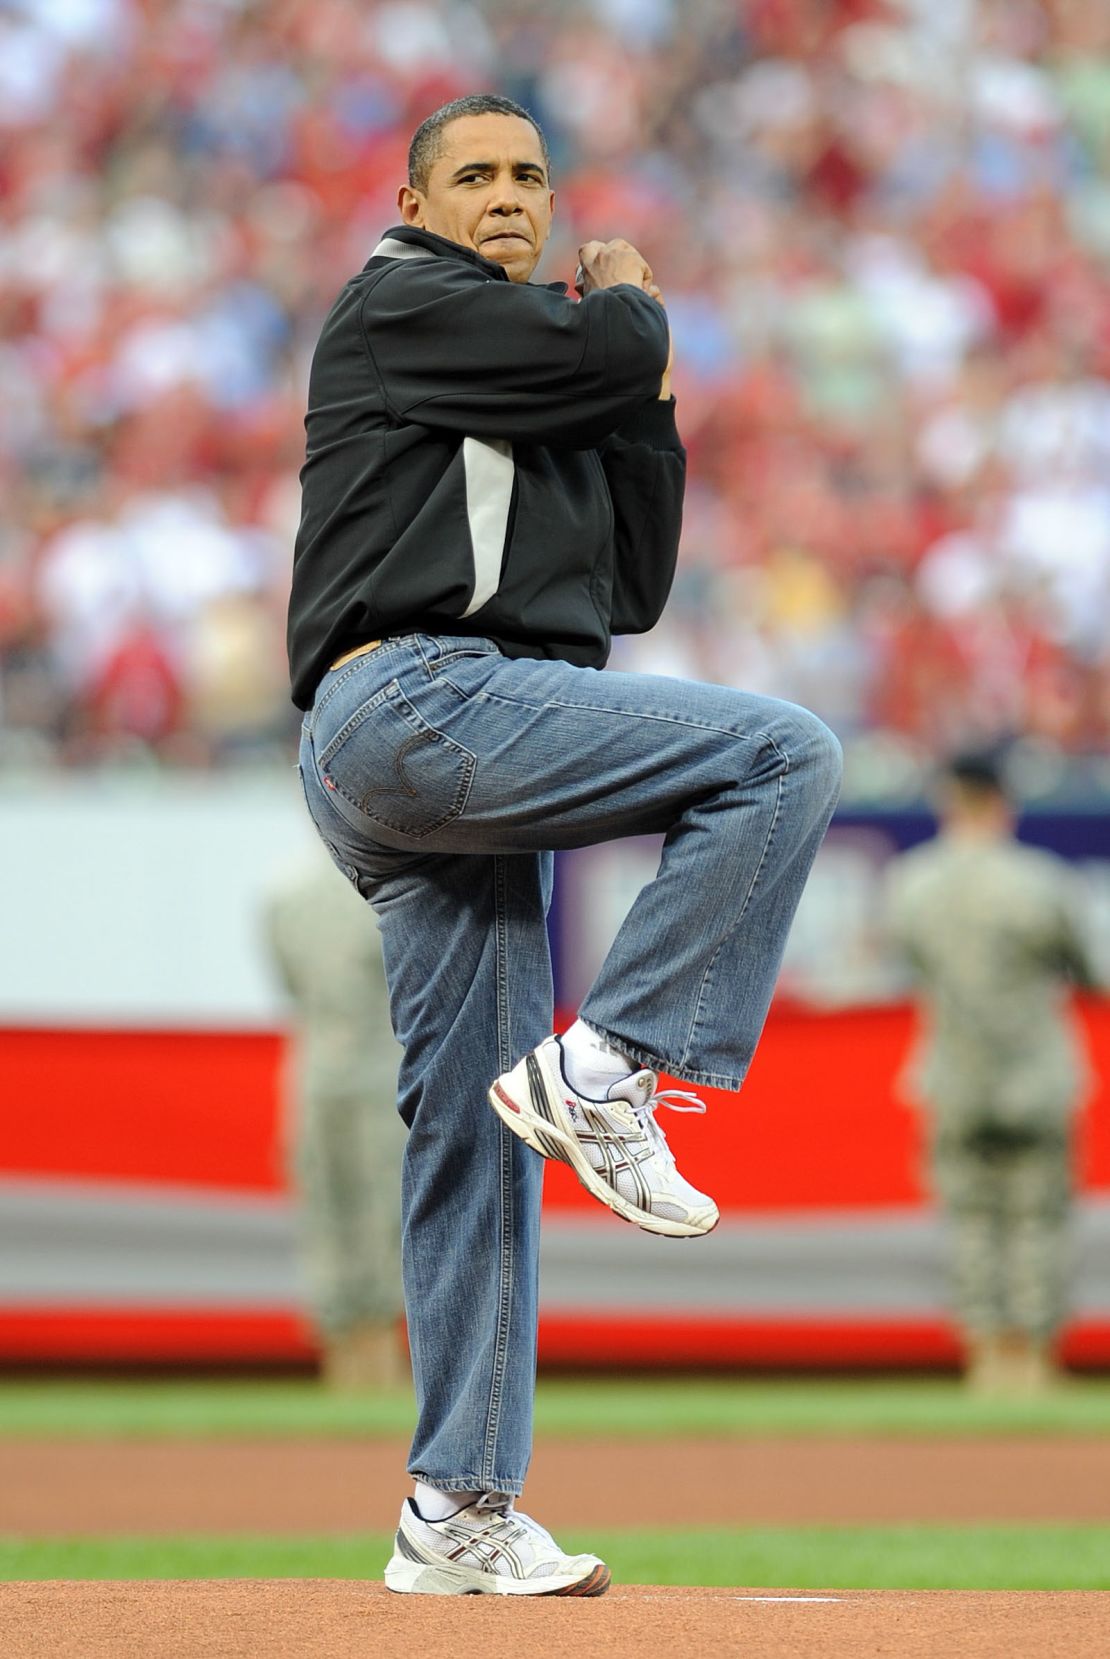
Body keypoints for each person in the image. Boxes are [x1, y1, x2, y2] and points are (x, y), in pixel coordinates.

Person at [289, 92, 842, 1596]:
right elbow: (604, 344)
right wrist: (637, 319)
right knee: (784, 751)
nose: (508, 194)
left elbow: (636, 584)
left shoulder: (546, 359)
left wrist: (642, 397)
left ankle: (453, 1509)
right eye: (473, 173)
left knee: (473, 1134)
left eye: (529, 174)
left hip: (461, 744)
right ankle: (612, 1062)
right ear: (414, 201)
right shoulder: (406, 300)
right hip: (414, 701)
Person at [884, 752, 1100, 1396]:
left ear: (950, 801)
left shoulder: (912, 883)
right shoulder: (1040, 882)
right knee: (1039, 1216)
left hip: (953, 1073)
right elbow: (1091, 971)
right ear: (1004, 803)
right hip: (1036, 1073)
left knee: (971, 1217)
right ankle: (1031, 1355)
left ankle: (984, 1355)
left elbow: (907, 966)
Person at [263, 840, 407, 1390]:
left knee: (358, 1212)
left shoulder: (286, 893)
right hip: (355, 1068)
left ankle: (367, 1363)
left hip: (335, 1068)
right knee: (353, 1210)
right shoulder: (386, 891)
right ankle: (355, 1362)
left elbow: (291, 986)